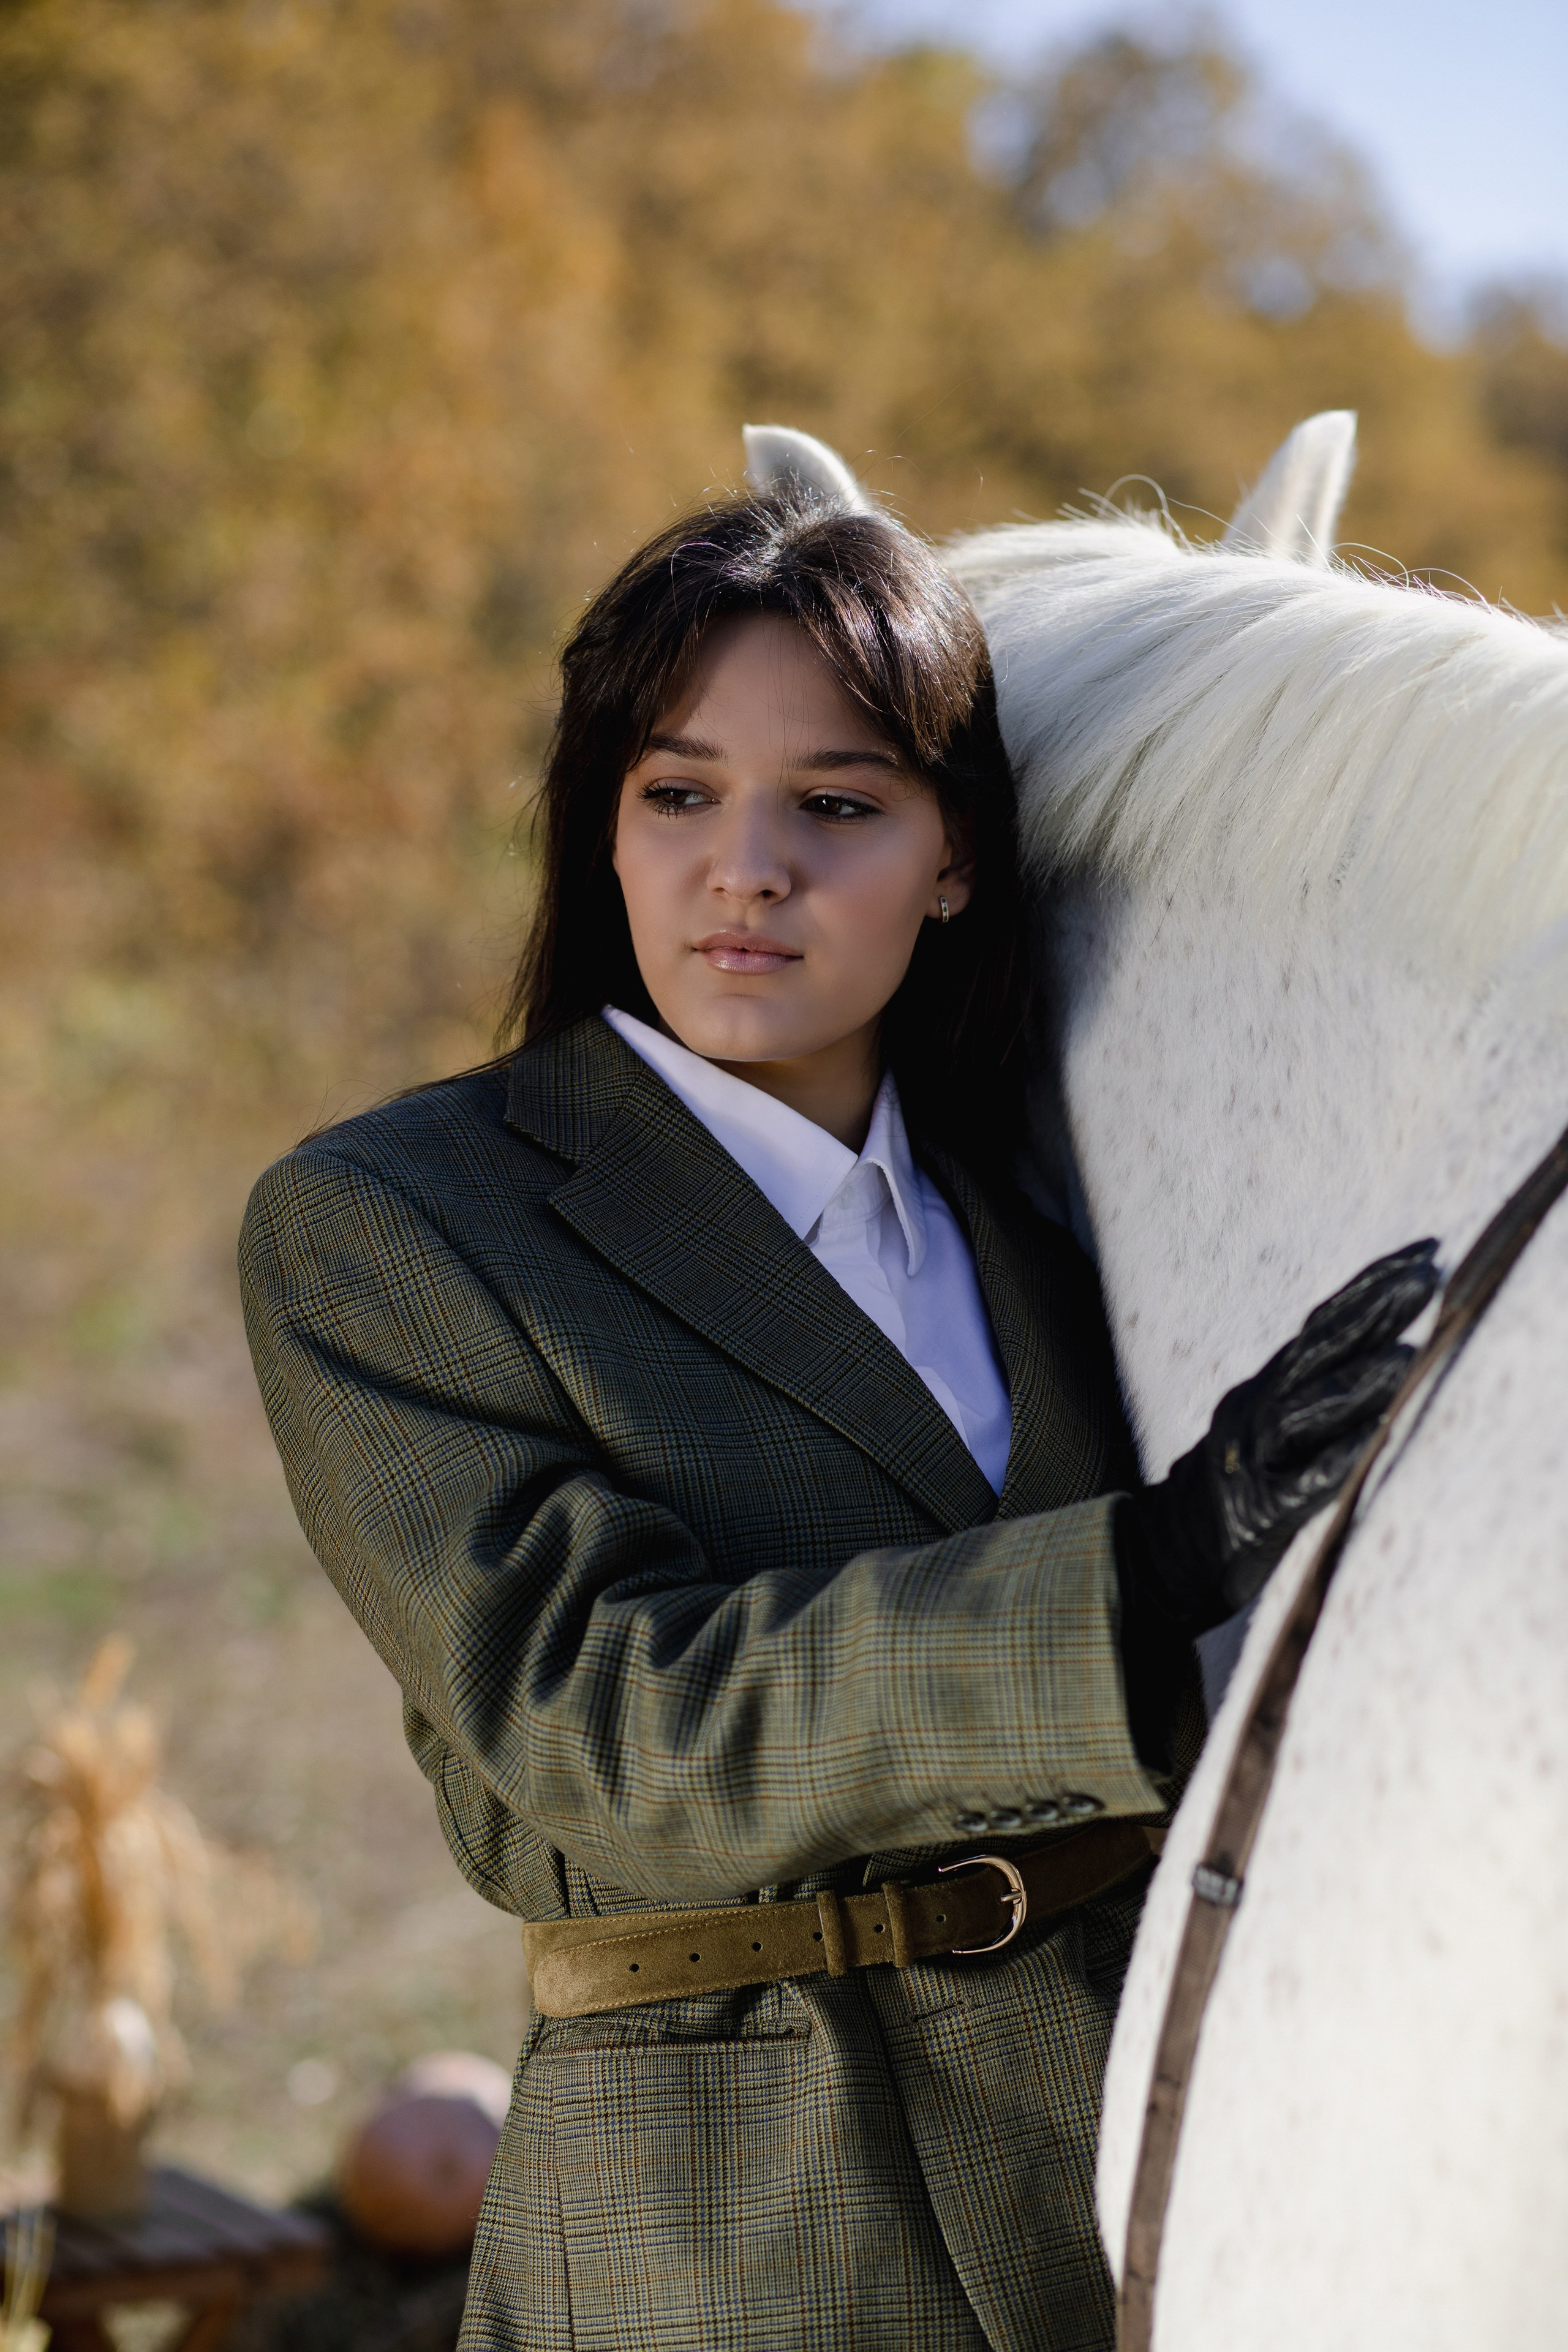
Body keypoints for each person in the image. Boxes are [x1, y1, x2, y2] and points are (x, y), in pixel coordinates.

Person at [239, 484, 1437, 2352]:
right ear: (606, 832)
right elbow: (601, 1726)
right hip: (737, 2214)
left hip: (1154, 2178)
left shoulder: (1047, 1216)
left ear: (953, 856)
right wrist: (1149, 1564)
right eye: (680, 792)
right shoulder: (398, 1221)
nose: (750, 867)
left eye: (841, 803)